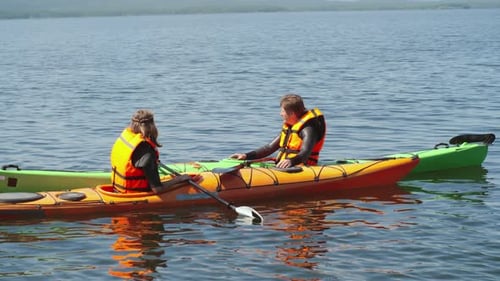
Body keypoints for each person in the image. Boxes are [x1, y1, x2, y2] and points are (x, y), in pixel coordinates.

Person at [230, 94, 326, 168]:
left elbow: (305, 153)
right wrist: (246, 155)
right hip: (284, 166)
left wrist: (291, 161)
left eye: (282, 111)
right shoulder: (291, 127)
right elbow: (269, 148)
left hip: (303, 168)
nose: (280, 114)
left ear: (291, 113)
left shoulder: (308, 129)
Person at [110, 109, 192, 194]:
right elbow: (157, 189)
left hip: (118, 189)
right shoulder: (147, 151)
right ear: (151, 126)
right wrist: (179, 179)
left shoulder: (126, 137)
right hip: (134, 195)